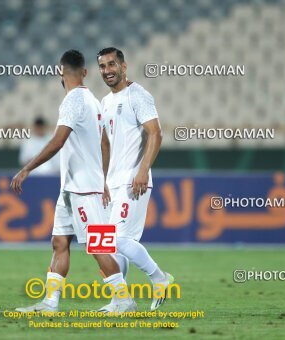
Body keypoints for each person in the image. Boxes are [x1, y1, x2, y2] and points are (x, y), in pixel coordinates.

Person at [11, 49, 136, 313]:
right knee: (60, 242)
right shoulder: (93, 100)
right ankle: (50, 303)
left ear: (60, 72)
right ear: (86, 72)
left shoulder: (72, 101)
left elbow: (58, 140)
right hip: (72, 188)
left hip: (83, 189)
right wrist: (103, 177)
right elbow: (104, 142)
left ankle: (124, 300)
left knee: (97, 246)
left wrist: (27, 169)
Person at [97, 47, 174, 311]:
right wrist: (102, 180)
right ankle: (121, 301)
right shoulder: (105, 102)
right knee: (107, 245)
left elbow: (156, 133)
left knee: (116, 240)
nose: (107, 70)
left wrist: (142, 171)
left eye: (111, 64)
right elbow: (105, 143)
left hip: (134, 181)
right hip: (113, 183)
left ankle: (159, 278)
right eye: (102, 66)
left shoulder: (138, 95)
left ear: (124, 66)